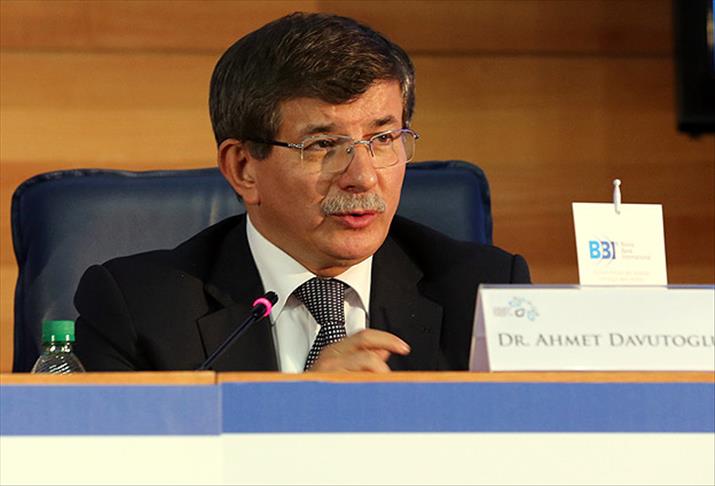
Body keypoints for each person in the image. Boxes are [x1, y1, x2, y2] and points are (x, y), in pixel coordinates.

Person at [73, 12, 530, 372]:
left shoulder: (484, 292)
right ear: (243, 168)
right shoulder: (140, 310)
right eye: (324, 145)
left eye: (384, 139)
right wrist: (298, 410)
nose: (363, 177)